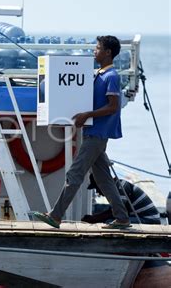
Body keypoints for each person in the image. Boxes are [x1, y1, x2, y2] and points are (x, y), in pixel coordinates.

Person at [34, 35, 130, 229]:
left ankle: (55, 215)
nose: (95, 51)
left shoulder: (111, 76)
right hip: (92, 132)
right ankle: (122, 217)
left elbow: (113, 107)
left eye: (98, 48)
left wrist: (87, 114)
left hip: (98, 134)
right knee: (103, 179)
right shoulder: (99, 73)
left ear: (108, 52)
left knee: (75, 173)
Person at [82, 174, 161, 225]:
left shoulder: (121, 187)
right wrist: (94, 218)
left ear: (102, 184)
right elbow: (113, 211)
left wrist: (93, 219)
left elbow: (118, 212)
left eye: (97, 188)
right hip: (143, 218)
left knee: (109, 222)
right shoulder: (117, 186)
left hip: (149, 220)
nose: (98, 192)